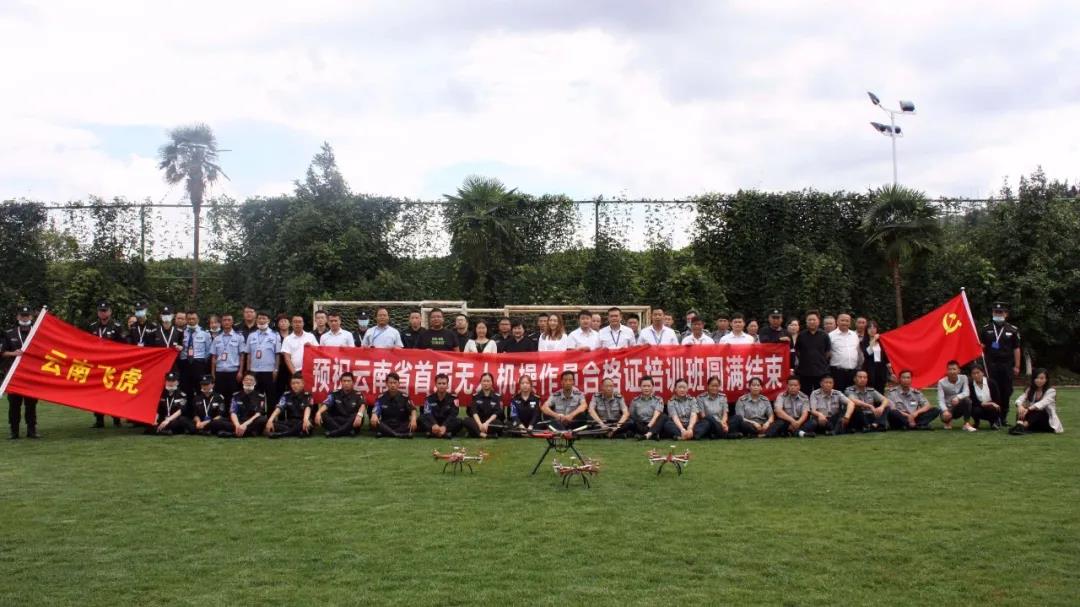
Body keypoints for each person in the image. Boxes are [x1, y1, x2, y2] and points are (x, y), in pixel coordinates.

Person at [980, 302, 1021, 426]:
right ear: (992, 313)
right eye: (996, 312)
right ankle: (994, 417)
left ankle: (1003, 417)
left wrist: (1017, 366)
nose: (998, 314)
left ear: (1006, 314)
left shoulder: (1012, 330)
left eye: (1000, 312)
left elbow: (1016, 349)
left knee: (1006, 391)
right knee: (992, 390)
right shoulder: (986, 329)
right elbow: (982, 346)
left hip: (1006, 365)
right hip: (991, 365)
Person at [88, 300, 127, 428]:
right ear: (98, 312)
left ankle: (116, 418)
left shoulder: (117, 326)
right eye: (101, 311)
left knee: (114, 393)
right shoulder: (93, 326)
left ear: (110, 312)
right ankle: (99, 419)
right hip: (97, 365)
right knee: (97, 393)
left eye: (105, 311)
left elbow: (124, 345)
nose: (103, 313)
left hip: (113, 365)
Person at [3, 306, 38, 439]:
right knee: (14, 405)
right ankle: (14, 432)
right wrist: (14, 353)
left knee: (31, 405)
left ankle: (32, 430)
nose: (24, 318)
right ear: (18, 317)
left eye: (27, 315)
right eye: (22, 315)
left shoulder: (38, 332)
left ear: (31, 317)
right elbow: (3, 352)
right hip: (14, 376)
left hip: (31, 376)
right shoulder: (9, 333)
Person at [246, 311, 282, 407]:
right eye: (259, 318)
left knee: (271, 396)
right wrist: (248, 370)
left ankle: (271, 415)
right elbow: (249, 354)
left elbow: (277, 354)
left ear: (268, 320)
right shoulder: (251, 335)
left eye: (264, 318)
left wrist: (276, 369)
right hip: (254, 371)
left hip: (269, 371)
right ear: (256, 320)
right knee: (255, 396)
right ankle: (256, 414)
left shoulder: (275, 335)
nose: (261, 320)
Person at [1010, 368, 1062, 434]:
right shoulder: (1030, 389)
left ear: (1046, 379)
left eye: (1042, 378)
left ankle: (1022, 427)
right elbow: (1020, 399)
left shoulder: (1051, 391)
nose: (1039, 380)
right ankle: (1019, 425)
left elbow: (1042, 404)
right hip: (1033, 422)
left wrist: (1028, 409)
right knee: (1021, 408)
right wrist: (1020, 406)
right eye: (1036, 378)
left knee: (1039, 410)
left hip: (1046, 422)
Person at [315, 372, 366, 437]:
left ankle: (335, 432)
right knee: (323, 414)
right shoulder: (334, 394)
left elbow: (362, 405)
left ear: (353, 382)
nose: (346, 383)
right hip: (337, 420)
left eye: (348, 381)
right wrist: (318, 412)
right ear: (341, 382)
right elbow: (326, 404)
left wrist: (359, 415)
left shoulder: (358, 394)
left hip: (350, 420)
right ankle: (347, 431)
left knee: (359, 416)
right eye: (344, 381)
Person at [219, 372, 268, 438]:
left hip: (251, 421)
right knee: (218, 421)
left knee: (263, 419)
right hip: (238, 420)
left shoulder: (260, 396)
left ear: (255, 383)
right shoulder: (236, 395)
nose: (248, 382)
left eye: (251, 380)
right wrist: (237, 425)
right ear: (243, 382)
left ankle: (233, 433)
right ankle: (248, 432)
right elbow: (233, 412)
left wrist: (245, 424)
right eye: (246, 380)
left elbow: (258, 414)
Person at [265, 373, 314, 438]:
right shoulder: (286, 395)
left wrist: (305, 419)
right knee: (273, 424)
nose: (295, 385)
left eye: (298, 383)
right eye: (293, 383)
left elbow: (308, 408)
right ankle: (296, 433)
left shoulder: (308, 395)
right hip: (290, 422)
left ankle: (281, 434)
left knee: (307, 424)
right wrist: (270, 420)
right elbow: (279, 408)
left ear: (303, 384)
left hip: (302, 421)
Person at [211, 312, 245, 402]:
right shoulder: (217, 338)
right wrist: (213, 373)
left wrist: (240, 372)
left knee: (233, 396)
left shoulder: (239, 337)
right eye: (224, 320)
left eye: (229, 320)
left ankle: (232, 411)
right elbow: (214, 357)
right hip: (219, 372)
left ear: (232, 322)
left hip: (233, 372)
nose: (226, 322)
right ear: (221, 322)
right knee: (220, 396)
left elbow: (242, 356)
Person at [371, 372, 417, 438]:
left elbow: (413, 409)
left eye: (395, 383)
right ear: (386, 384)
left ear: (399, 384)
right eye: (390, 383)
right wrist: (374, 415)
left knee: (411, 424)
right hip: (387, 424)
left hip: (401, 424)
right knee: (375, 422)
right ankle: (398, 434)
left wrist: (413, 419)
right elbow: (376, 408)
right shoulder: (381, 397)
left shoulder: (405, 397)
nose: (393, 385)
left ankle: (386, 433)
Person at [795, 311, 830, 395]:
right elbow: (798, 351)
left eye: (814, 320)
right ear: (806, 322)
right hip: (804, 371)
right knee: (805, 394)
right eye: (809, 320)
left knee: (820, 394)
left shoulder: (824, 335)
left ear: (818, 321)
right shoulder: (801, 335)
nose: (812, 322)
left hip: (820, 371)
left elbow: (828, 352)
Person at [179, 310, 212, 401]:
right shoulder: (181, 332)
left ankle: (200, 407)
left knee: (199, 388)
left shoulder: (205, 333)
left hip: (198, 363)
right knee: (185, 388)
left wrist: (202, 362)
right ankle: (187, 409)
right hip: (185, 363)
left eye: (193, 318)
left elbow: (208, 350)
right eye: (189, 319)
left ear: (198, 319)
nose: (191, 321)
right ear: (186, 320)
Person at [936, 360, 975, 432]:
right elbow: (940, 400)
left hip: (958, 407)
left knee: (967, 400)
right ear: (947, 371)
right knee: (945, 417)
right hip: (948, 408)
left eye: (954, 369)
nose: (952, 371)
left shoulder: (964, 378)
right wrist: (945, 410)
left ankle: (966, 424)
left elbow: (967, 392)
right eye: (949, 369)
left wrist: (958, 397)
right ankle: (947, 422)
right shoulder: (941, 382)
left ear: (959, 370)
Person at [463, 373, 504, 438]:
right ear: (481, 382)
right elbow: (474, 411)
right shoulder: (475, 396)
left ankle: (474, 433)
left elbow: (497, 412)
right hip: (478, 421)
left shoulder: (497, 397)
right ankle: (485, 435)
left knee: (499, 424)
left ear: (492, 383)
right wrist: (480, 424)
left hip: (490, 422)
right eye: (484, 381)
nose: (486, 383)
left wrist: (487, 423)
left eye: (488, 381)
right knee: (466, 420)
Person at [421, 373, 462, 438]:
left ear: (447, 385)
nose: (441, 385)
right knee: (421, 418)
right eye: (439, 383)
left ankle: (433, 433)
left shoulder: (453, 398)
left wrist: (444, 425)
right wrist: (434, 424)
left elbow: (453, 414)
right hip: (434, 422)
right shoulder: (429, 398)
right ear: (436, 385)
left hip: (446, 422)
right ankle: (444, 434)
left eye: (444, 383)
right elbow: (427, 413)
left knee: (459, 421)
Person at [827, 313, 860, 393]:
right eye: (842, 320)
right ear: (837, 322)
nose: (845, 323)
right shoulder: (830, 336)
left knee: (852, 395)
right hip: (837, 372)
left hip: (853, 372)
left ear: (850, 323)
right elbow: (826, 353)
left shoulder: (854, 335)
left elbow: (857, 351)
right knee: (838, 395)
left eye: (847, 321)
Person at [628, 376, 665, 440]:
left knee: (663, 417)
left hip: (653, 424)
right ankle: (653, 434)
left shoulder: (658, 400)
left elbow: (656, 416)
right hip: (641, 425)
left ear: (652, 387)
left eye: (648, 386)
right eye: (644, 386)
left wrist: (648, 426)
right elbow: (633, 416)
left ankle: (647, 434)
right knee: (631, 422)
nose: (646, 388)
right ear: (640, 387)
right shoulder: (635, 401)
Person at [281, 314, 318, 379]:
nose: (297, 324)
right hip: (295, 371)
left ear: (303, 323)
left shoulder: (310, 336)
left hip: (310, 371)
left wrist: (311, 346)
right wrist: (295, 374)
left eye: (300, 322)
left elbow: (318, 352)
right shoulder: (287, 339)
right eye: (295, 322)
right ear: (291, 324)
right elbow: (287, 359)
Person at [967, 365, 1003, 430]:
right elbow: (973, 400)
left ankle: (994, 422)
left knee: (994, 408)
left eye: (978, 372)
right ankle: (976, 422)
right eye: (973, 373)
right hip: (979, 406)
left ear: (982, 373)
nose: (976, 375)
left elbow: (997, 399)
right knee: (974, 410)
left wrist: (991, 403)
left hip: (992, 406)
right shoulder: (970, 385)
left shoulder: (991, 383)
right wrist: (983, 404)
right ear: (971, 375)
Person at [861, 320, 891, 394]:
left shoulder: (881, 342)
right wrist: (874, 339)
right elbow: (867, 353)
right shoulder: (863, 342)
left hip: (881, 369)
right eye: (870, 328)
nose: (872, 330)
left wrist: (891, 370)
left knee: (880, 390)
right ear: (866, 330)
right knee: (870, 390)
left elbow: (885, 357)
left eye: (874, 328)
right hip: (869, 369)